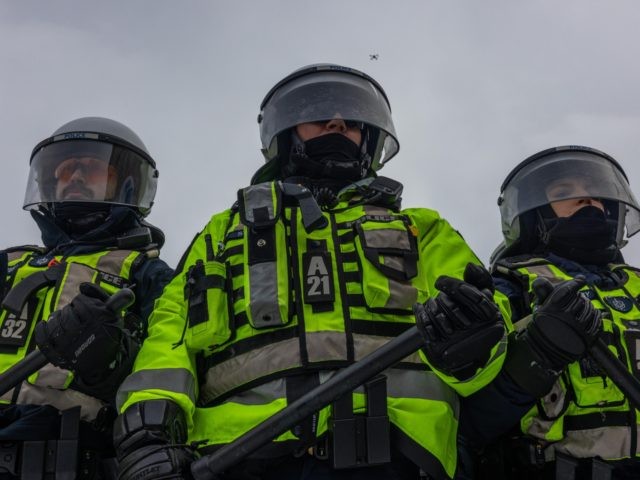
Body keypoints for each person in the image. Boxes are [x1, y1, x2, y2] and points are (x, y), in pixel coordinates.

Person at [114, 64, 511, 480]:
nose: (338, 121)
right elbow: (168, 339)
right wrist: (149, 432)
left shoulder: (423, 228)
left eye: (352, 118)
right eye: (318, 113)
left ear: (370, 136)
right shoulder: (223, 231)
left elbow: (489, 330)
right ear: (285, 134)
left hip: (400, 456)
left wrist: (475, 338)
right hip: (240, 459)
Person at [0, 117, 173, 479]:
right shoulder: (11, 264)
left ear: (127, 185)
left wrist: (110, 361)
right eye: (65, 170)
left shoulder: (144, 272)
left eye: (91, 168)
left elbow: (172, 359)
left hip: (70, 451)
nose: (75, 177)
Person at [477, 146, 640, 479]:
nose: (588, 198)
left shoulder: (636, 286)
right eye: (565, 192)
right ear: (534, 214)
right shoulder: (511, 287)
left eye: (596, 190)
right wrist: (538, 352)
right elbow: (474, 419)